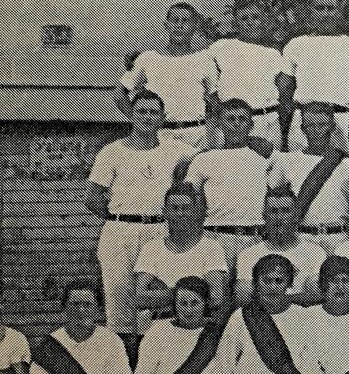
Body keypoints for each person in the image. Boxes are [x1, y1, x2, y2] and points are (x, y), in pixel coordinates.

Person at [87, 90, 195, 341]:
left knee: (155, 303)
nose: (147, 117)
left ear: (162, 117)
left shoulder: (177, 151)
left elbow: (207, 159)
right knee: (120, 302)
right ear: (130, 115)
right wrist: (121, 218)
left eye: (153, 112)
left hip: (159, 231)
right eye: (141, 111)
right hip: (119, 233)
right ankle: (123, 371)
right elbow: (92, 198)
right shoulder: (111, 152)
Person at [279, 0, 349, 151]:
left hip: (342, 120)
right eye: (320, 8)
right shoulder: (296, 44)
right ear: (311, 11)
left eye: (330, 8)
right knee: (301, 170)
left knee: (343, 172)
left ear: (339, 11)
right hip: (306, 122)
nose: (325, 14)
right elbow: (284, 89)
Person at [183, 98, 274, 265]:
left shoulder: (265, 159)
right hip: (216, 238)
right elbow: (190, 201)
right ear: (220, 124)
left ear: (251, 125)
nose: (237, 124)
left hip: (255, 239)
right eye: (231, 119)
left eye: (242, 119)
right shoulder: (204, 159)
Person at [115, 2, 218, 148]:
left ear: (194, 27)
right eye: (175, 20)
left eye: (185, 21)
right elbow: (119, 94)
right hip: (160, 135)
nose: (179, 25)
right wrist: (139, 122)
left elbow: (216, 101)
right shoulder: (148, 58)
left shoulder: (204, 59)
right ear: (166, 25)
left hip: (196, 136)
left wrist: (213, 133)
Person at [134, 182, 229, 332]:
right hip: (158, 330)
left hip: (196, 331)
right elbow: (138, 298)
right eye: (174, 208)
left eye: (185, 208)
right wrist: (194, 292)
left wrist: (162, 294)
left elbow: (215, 299)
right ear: (165, 212)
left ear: (195, 211)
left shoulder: (211, 247)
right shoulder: (151, 248)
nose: (180, 213)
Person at [267, 103, 349, 254]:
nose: (317, 130)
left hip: (337, 236)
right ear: (303, 129)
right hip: (301, 237)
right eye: (310, 125)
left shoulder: (347, 163)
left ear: (332, 127)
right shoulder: (287, 161)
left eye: (322, 124)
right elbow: (273, 197)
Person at [207, 0, 288, 149]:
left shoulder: (274, 54)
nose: (250, 22)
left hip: (266, 122)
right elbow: (208, 83)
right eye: (244, 18)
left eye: (255, 17)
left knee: (269, 168)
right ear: (235, 23)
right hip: (232, 123)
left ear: (263, 20)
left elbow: (283, 91)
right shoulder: (221, 47)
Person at [234, 185, 327, 305]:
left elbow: (317, 295)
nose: (279, 218)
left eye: (285, 211)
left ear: (296, 216)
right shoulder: (249, 254)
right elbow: (243, 297)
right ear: (264, 216)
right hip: (264, 318)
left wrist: (276, 298)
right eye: (273, 211)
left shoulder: (314, 252)